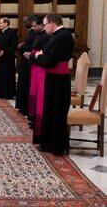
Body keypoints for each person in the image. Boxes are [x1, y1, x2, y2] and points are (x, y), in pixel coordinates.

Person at [27, 13, 73, 155]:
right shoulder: (60, 35)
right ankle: (48, 143)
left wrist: (36, 56)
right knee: (50, 111)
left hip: (56, 81)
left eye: (46, 24)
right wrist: (40, 55)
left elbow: (49, 61)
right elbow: (47, 54)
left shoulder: (61, 36)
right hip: (54, 79)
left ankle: (55, 145)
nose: (45, 27)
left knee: (54, 112)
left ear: (52, 23)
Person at [24, 15, 51, 141]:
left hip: (40, 68)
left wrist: (30, 55)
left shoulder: (46, 35)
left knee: (38, 95)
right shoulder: (38, 34)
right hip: (35, 66)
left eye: (35, 25)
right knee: (33, 92)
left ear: (42, 25)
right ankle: (33, 118)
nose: (33, 27)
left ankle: (36, 120)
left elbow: (43, 52)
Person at [15, 15, 37, 114]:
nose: (24, 24)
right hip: (25, 62)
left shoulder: (33, 32)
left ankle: (24, 108)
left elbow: (30, 46)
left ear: (31, 22)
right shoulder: (31, 32)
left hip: (28, 62)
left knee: (25, 84)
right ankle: (21, 106)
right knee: (22, 83)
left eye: (25, 22)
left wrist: (21, 46)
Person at [0, 17, 18, 99]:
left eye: (0, 23)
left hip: (8, 59)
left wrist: (4, 52)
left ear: (6, 23)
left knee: (8, 76)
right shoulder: (0, 32)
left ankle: (8, 94)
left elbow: (13, 46)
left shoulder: (12, 32)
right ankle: (0, 93)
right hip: (1, 58)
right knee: (0, 75)